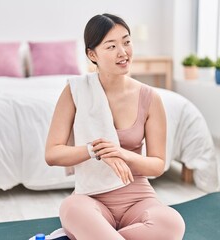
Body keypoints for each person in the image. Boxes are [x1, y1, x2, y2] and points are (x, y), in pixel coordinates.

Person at [45, 13, 185, 240]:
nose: (123, 52)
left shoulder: (150, 98)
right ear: (92, 54)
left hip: (139, 199)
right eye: (111, 46)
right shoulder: (74, 91)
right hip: (91, 199)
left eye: (127, 42)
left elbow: (157, 165)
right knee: (71, 208)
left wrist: (121, 153)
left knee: (172, 224)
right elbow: (52, 154)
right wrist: (95, 149)